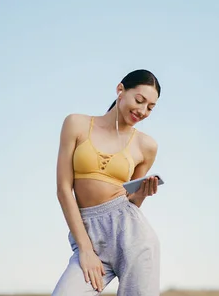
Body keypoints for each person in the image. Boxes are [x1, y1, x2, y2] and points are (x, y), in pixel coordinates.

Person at [52, 69, 162, 295]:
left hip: (132, 236)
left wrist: (141, 194)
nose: (142, 111)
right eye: (139, 100)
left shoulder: (147, 146)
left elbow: (130, 202)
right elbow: (64, 189)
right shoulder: (77, 124)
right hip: (89, 234)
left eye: (150, 107)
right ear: (120, 89)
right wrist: (85, 248)